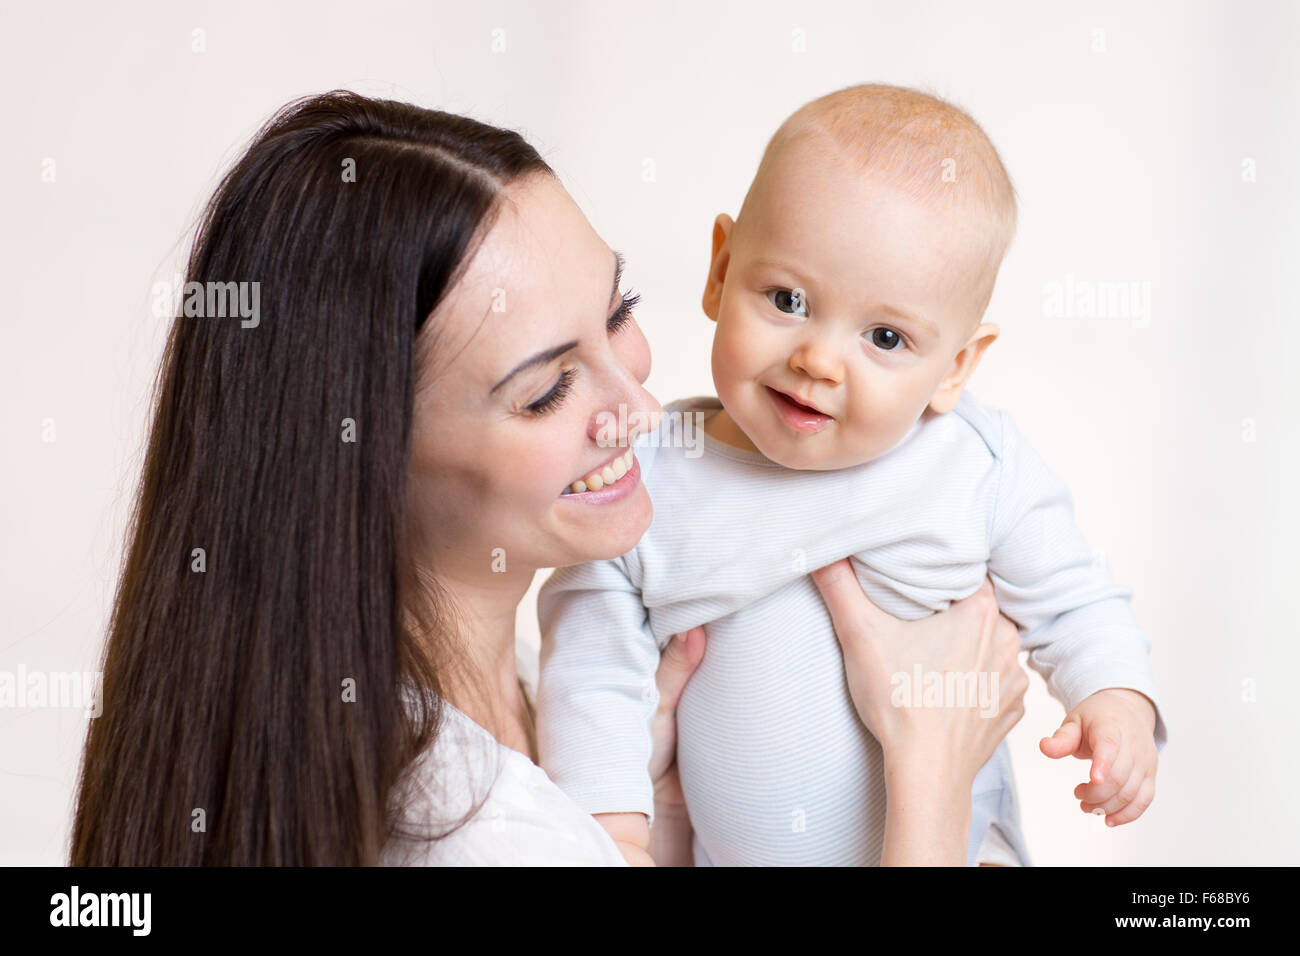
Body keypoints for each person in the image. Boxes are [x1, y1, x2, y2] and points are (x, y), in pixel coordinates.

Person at [70, 90, 1027, 866]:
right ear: (358, 450)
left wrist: (649, 815)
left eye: (619, 314)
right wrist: (931, 793)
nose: (643, 411)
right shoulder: (477, 838)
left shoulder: (528, 720)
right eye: (547, 391)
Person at [535, 84, 1165, 867]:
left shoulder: (971, 463)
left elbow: (1074, 598)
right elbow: (590, 671)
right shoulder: (652, 474)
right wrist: (617, 832)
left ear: (956, 366)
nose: (818, 360)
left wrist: (1115, 701)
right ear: (720, 271)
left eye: (887, 338)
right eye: (788, 299)